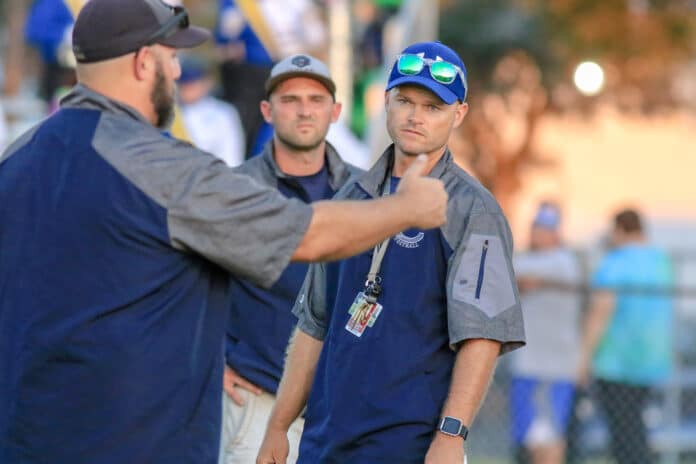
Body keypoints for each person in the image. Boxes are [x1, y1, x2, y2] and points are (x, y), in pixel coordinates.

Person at [0, 1, 450, 462]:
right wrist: (406, 208)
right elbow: (306, 234)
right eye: (171, 56)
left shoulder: (17, 158)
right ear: (142, 62)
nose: (177, 71)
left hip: (25, 439)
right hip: (131, 445)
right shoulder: (158, 166)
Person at [257, 41, 526, 464]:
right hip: (326, 438)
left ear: (459, 114)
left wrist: (451, 436)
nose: (415, 116)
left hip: (411, 442)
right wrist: (277, 426)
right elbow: (314, 324)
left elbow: (482, 335)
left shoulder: (472, 209)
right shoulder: (350, 195)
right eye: (404, 101)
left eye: (433, 107)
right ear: (385, 101)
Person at [219, 53, 359, 463]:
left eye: (316, 100)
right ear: (266, 110)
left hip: (343, 410)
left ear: (335, 111)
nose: (303, 110)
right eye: (290, 99)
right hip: (258, 402)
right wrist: (211, 361)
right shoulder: (233, 191)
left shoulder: (365, 193)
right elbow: (187, 281)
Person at [578, 208, 674, 464]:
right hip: (652, 360)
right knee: (636, 428)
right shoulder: (660, 261)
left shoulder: (615, 262)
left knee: (624, 434)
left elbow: (600, 312)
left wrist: (584, 358)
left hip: (616, 363)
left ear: (619, 230)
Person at [508, 202, 583, 464]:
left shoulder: (563, 262)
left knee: (549, 437)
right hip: (528, 364)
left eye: (545, 229)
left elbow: (518, 277)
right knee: (531, 438)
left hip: (553, 368)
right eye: (536, 227)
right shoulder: (526, 259)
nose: (538, 233)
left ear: (556, 233)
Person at [215, 0, 327, 157]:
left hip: (290, 72)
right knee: (246, 129)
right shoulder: (241, 4)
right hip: (251, 75)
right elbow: (226, 33)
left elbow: (316, 37)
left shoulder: (300, 4)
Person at [178, 56, 246, 167]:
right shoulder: (170, 113)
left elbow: (232, 156)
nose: (188, 88)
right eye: (185, 84)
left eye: (193, 83)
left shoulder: (223, 113)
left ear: (207, 82)